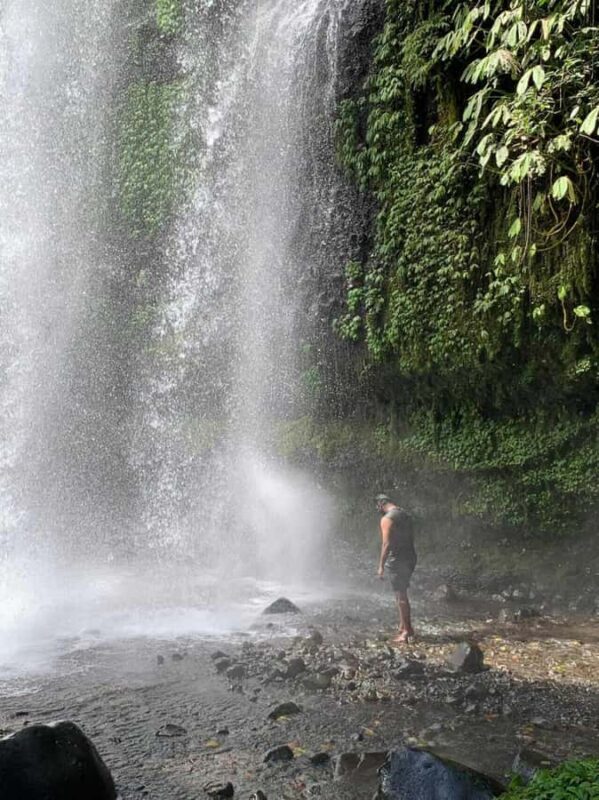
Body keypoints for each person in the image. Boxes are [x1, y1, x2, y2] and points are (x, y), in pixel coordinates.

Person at [375, 493, 417, 643]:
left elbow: (386, 543)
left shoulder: (387, 519)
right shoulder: (405, 514)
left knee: (401, 596)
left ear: (381, 504)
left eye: (377, 506)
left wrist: (380, 565)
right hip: (410, 556)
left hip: (397, 559)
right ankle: (402, 626)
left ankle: (407, 631)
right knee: (401, 593)